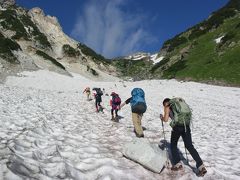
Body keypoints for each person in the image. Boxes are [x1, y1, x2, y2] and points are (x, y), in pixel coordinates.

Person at [160, 98, 207, 176]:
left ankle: (177, 164)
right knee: (189, 146)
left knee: (173, 145)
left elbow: (165, 119)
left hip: (177, 127)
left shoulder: (167, 106)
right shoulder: (178, 105)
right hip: (186, 126)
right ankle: (201, 166)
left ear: (165, 103)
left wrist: (161, 117)